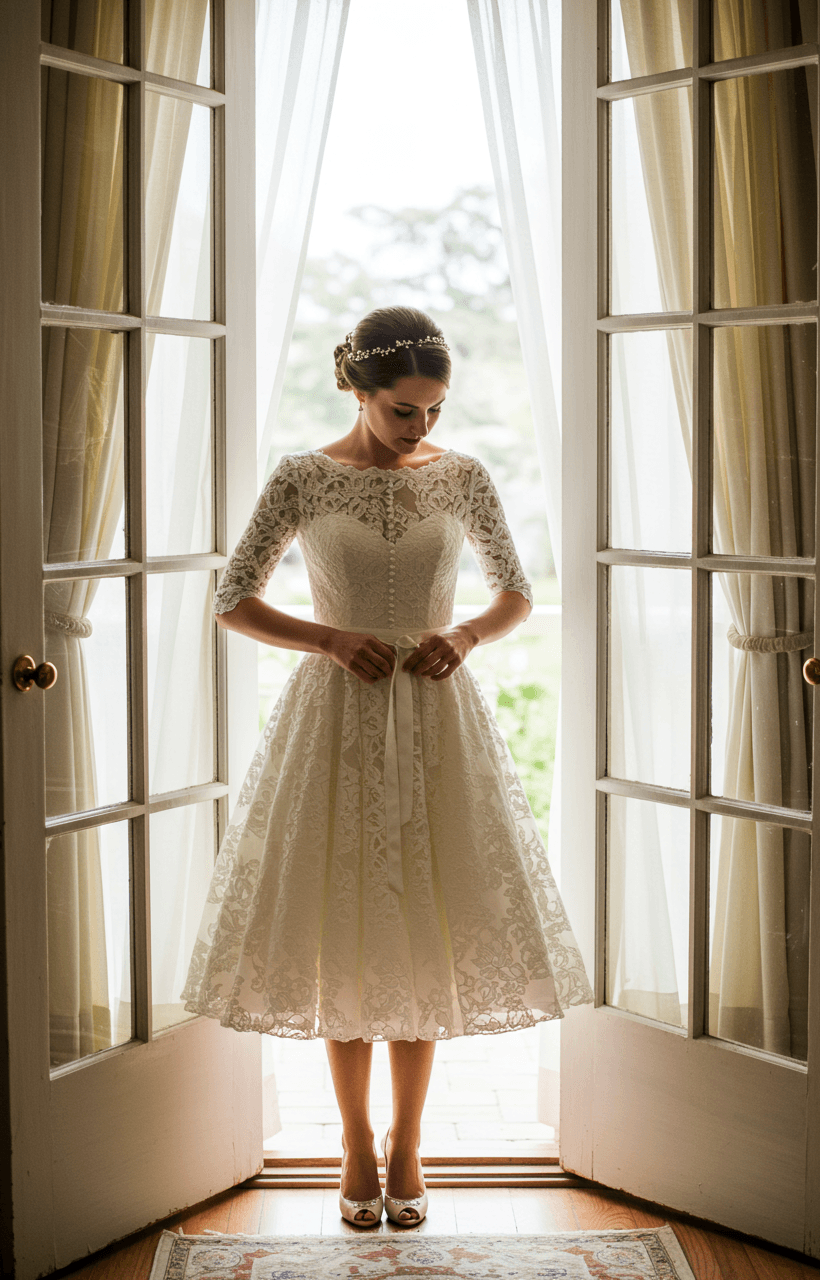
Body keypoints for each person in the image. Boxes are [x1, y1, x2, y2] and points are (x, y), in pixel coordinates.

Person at [182, 305, 591, 1228]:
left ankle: (409, 1142)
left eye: (435, 410)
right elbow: (231, 597)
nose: (422, 428)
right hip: (338, 721)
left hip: (437, 722)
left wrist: (465, 635)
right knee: (345, 932)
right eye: (404, 410)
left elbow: (517, 589)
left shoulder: (466, 479)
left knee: (425, 933)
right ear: (358, 392)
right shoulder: (303, 479)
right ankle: (353, 1141)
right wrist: (328, 639)